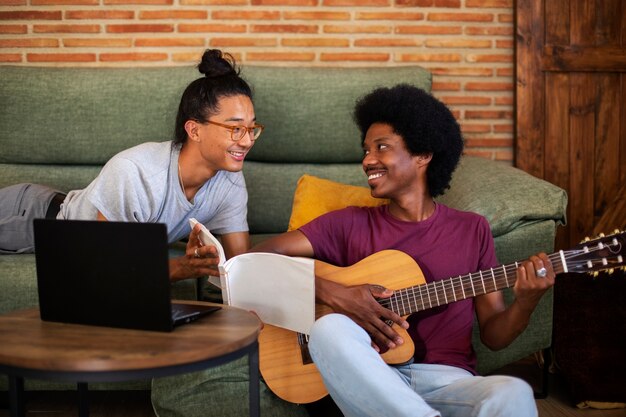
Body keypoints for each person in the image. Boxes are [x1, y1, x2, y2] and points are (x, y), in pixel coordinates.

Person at [250, 84, 556, 417]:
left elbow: (495, 336)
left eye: (381, 147)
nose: (368, 160)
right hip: (368, 378)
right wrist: (337, 294)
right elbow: (254, 262)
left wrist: (527, 302)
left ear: (423, 154)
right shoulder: (347, 224)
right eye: (365, 150)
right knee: (328, 329)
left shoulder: (471, 229)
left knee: (513, 392)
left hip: (448, 381)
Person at [0, 49, 259, 282]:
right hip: (29, 215)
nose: (247, 140)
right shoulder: (136, 172)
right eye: (235, 128)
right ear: (194, 130)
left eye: (251, 128)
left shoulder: (230, 180)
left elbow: (239, 268)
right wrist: (182, 267)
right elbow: (109, 269)